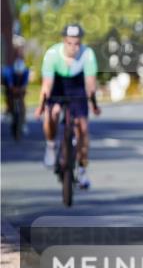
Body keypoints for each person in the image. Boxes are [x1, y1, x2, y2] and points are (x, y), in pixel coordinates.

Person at [35, 24, 101, 188]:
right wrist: (41, 106)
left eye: (77, 43)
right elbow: (47, 85)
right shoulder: (52, 54)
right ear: (64, 41)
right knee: (53, 114)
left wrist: (93, 104)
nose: (73, 47)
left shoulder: (88, 54)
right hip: (57, 86)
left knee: (83, 129)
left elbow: (90, 84)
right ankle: (50, 146)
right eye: (69, 43)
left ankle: (82, 171)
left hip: (77, 87)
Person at [2, 44, 31, 135]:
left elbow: (25, 84)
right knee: (9, 97)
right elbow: (9, 85)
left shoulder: (25, 71)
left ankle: (23, 122)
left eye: (20, 74)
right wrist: (12, 89)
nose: (19, 75)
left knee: (22, 101)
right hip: (10, 86)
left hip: (20, 86)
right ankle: (9, 109)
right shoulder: (9, 71)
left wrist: (23, 89)